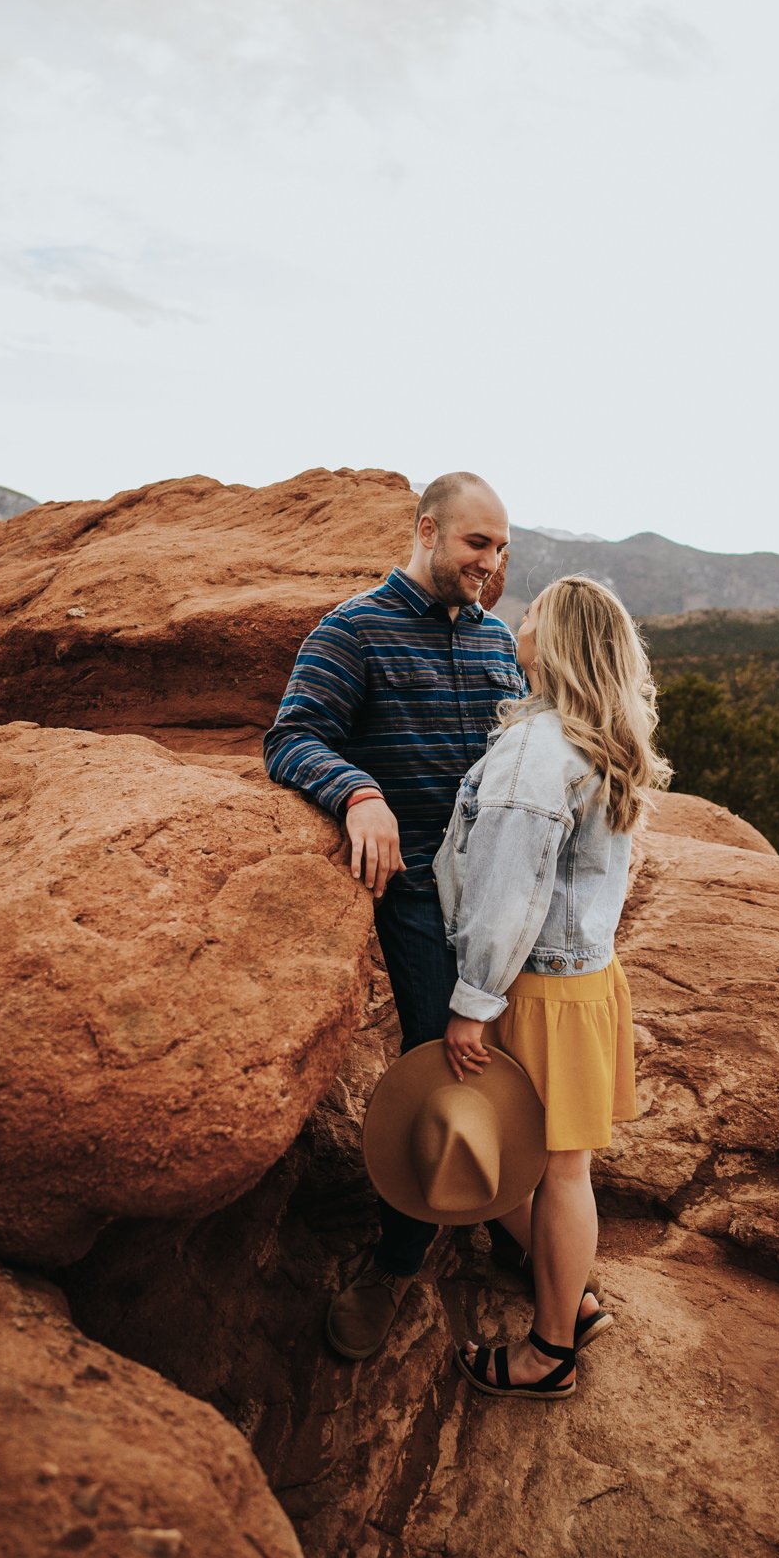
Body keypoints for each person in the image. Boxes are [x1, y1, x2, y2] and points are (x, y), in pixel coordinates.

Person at [263, 471, 525, 1359]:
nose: (489, 565)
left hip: (496, 896)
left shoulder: (496, 641)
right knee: (438, 1069)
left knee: (513, 1065)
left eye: (499, 550)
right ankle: (399, 1260)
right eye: (474, 545)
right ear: (426, 531)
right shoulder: (351, 629)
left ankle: (506, 1221)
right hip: (414, 896)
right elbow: (291, 735)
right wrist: (358, 791)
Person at [434, 574, 671, 1398]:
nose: (516, 620)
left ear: (555, 640)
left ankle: (548, 1352)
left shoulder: (537, 753)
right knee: (549, 1168)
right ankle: (572, 1302)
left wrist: (472, 1004)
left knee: (530, 1171)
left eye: (528, 612)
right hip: (585, 983)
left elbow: (506, 896)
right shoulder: (595, 739)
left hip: (533, 991)